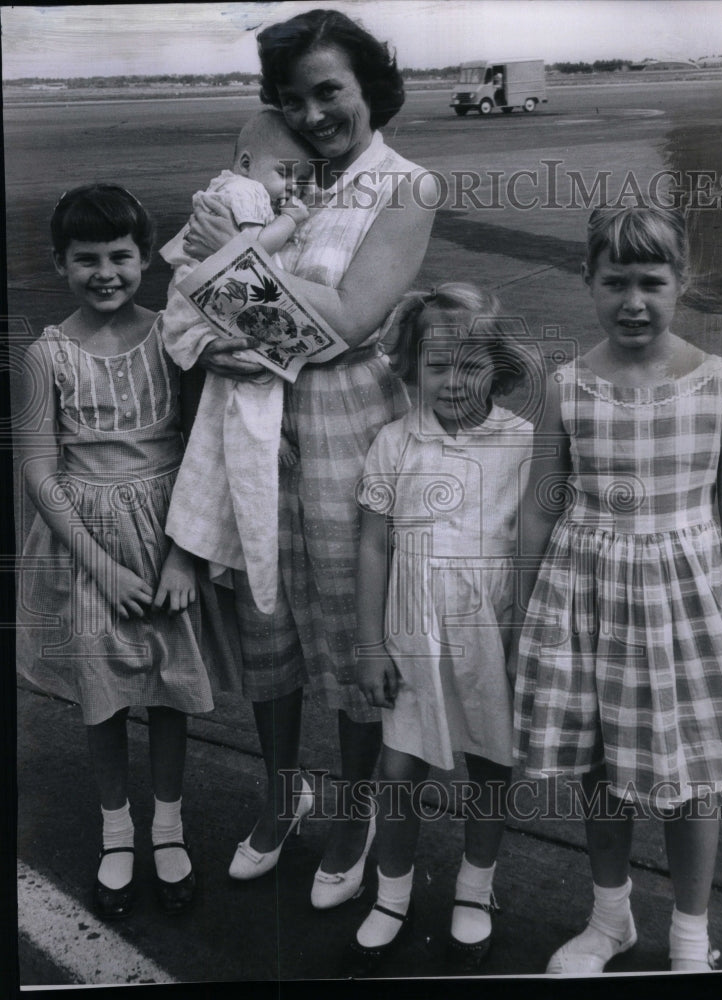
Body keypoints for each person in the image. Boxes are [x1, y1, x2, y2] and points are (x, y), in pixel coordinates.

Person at [179, 8, 438, 905]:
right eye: (295, 98)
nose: (315, 113)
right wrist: (231, 274)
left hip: (347, 427)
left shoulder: (405, 188)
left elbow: (343, 324)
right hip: (253, 421)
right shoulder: (271, 179)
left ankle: (353, 810)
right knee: (267, 621)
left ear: (369, 85)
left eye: (329, 90)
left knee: (346, 624)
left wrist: (230, 270)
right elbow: (205, 302)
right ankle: (281, 794)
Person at [511, 206, 722, 974]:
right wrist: (525, 618)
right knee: (602, 768)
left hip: (687, 608)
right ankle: (610, 916)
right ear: (588, 282)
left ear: (681, 283)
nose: (633, 301)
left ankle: (691, 932)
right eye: (614, 281)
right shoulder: (566, 385)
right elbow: (539, 506)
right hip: (588, 600)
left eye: (651, 282)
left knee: (692, 777)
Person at [16, 184, 224, 920]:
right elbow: (41, 470)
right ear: (60, 264)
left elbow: (204, 444)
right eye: (86, 260)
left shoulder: (175, 336)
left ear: (145, 258)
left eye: (120, 256)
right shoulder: (46, 354)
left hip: (168, 528)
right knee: (103, 694)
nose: (105, 272)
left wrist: (183, 556)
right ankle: (116, 830)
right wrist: (100, 564)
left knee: (168, 687)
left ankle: (168, 826)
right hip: (86, 541)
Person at [342, 284, 533, 976]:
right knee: (398, 770)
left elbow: (533, 543)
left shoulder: (524, 443)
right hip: (412, 635)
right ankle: (391, 892)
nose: (454, 382)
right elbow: (373, 544)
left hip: (490, 634)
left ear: (499, 366)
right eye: (438, 365)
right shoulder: (394, 442)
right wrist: (369, 646)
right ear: (413, 367)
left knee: (490, 763)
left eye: (471, 365)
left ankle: (475, 889)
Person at [160, 109, 313, 618]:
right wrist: (292, 220)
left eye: (301, 180)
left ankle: (197, 539)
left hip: (198, 304)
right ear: (248, 162)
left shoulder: (227, 186)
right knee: (251, 381)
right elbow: (245, 258)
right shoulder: (246, 194)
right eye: (285, 174)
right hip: (211, 304)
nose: (291, 189)